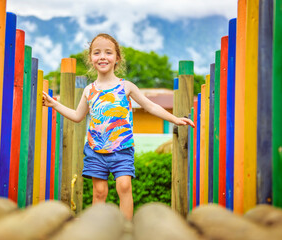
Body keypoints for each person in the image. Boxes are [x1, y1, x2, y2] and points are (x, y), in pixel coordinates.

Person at [42, 33, 195, 220]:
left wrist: (175, 119)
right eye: (97, 53)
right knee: (99, 192)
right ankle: (98, 228)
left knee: (124, 186)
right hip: (95, 151)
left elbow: (150, 105)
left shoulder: (126, 87)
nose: (103, 57)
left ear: (117, 58)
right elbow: (77, 116)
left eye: (108, 52)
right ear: (91, 58)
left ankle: (126, 228)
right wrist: (54, 104)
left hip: (121, 150)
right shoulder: (89, 90)